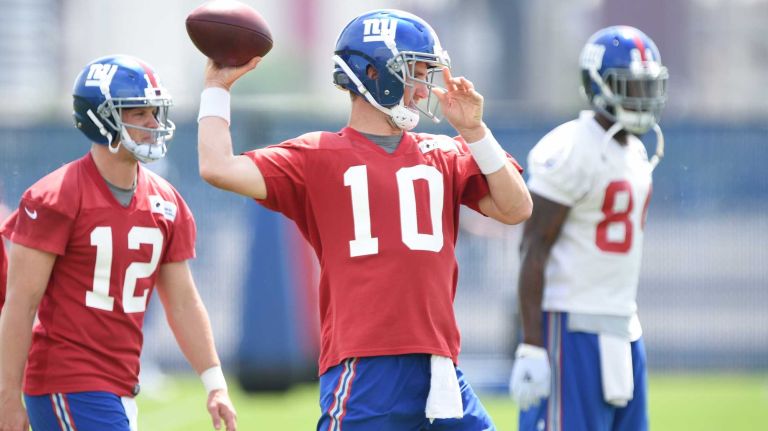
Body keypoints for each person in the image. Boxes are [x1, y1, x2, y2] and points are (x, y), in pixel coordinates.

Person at [197, 8, 531, 430]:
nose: (423, 87)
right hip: (367, 366)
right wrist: (215, 89)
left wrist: (476, 132)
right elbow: (218, 168)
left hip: (440, 366)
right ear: (374, 74)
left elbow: (516, 208)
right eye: (415, 71)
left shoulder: (445, 152)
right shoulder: (316, 154)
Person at [0, 55, 237, 431]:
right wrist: (8, 398)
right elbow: (20, 304)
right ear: (100, 118)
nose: (153, 124)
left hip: (120, 385)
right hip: (66, 380)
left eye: (154, 111)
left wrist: (214, 383)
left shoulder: (166, 202)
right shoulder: (54, 197)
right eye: (138, 113)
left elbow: (183, 300)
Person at [510, 26, 668, 431]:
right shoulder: (569, 148)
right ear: (598, 84)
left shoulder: (633, 148)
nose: (641, 96)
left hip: (624, 324)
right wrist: (531, 345)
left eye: (647, 85)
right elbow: (533, 249)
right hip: (572, 324)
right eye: (629, 84)